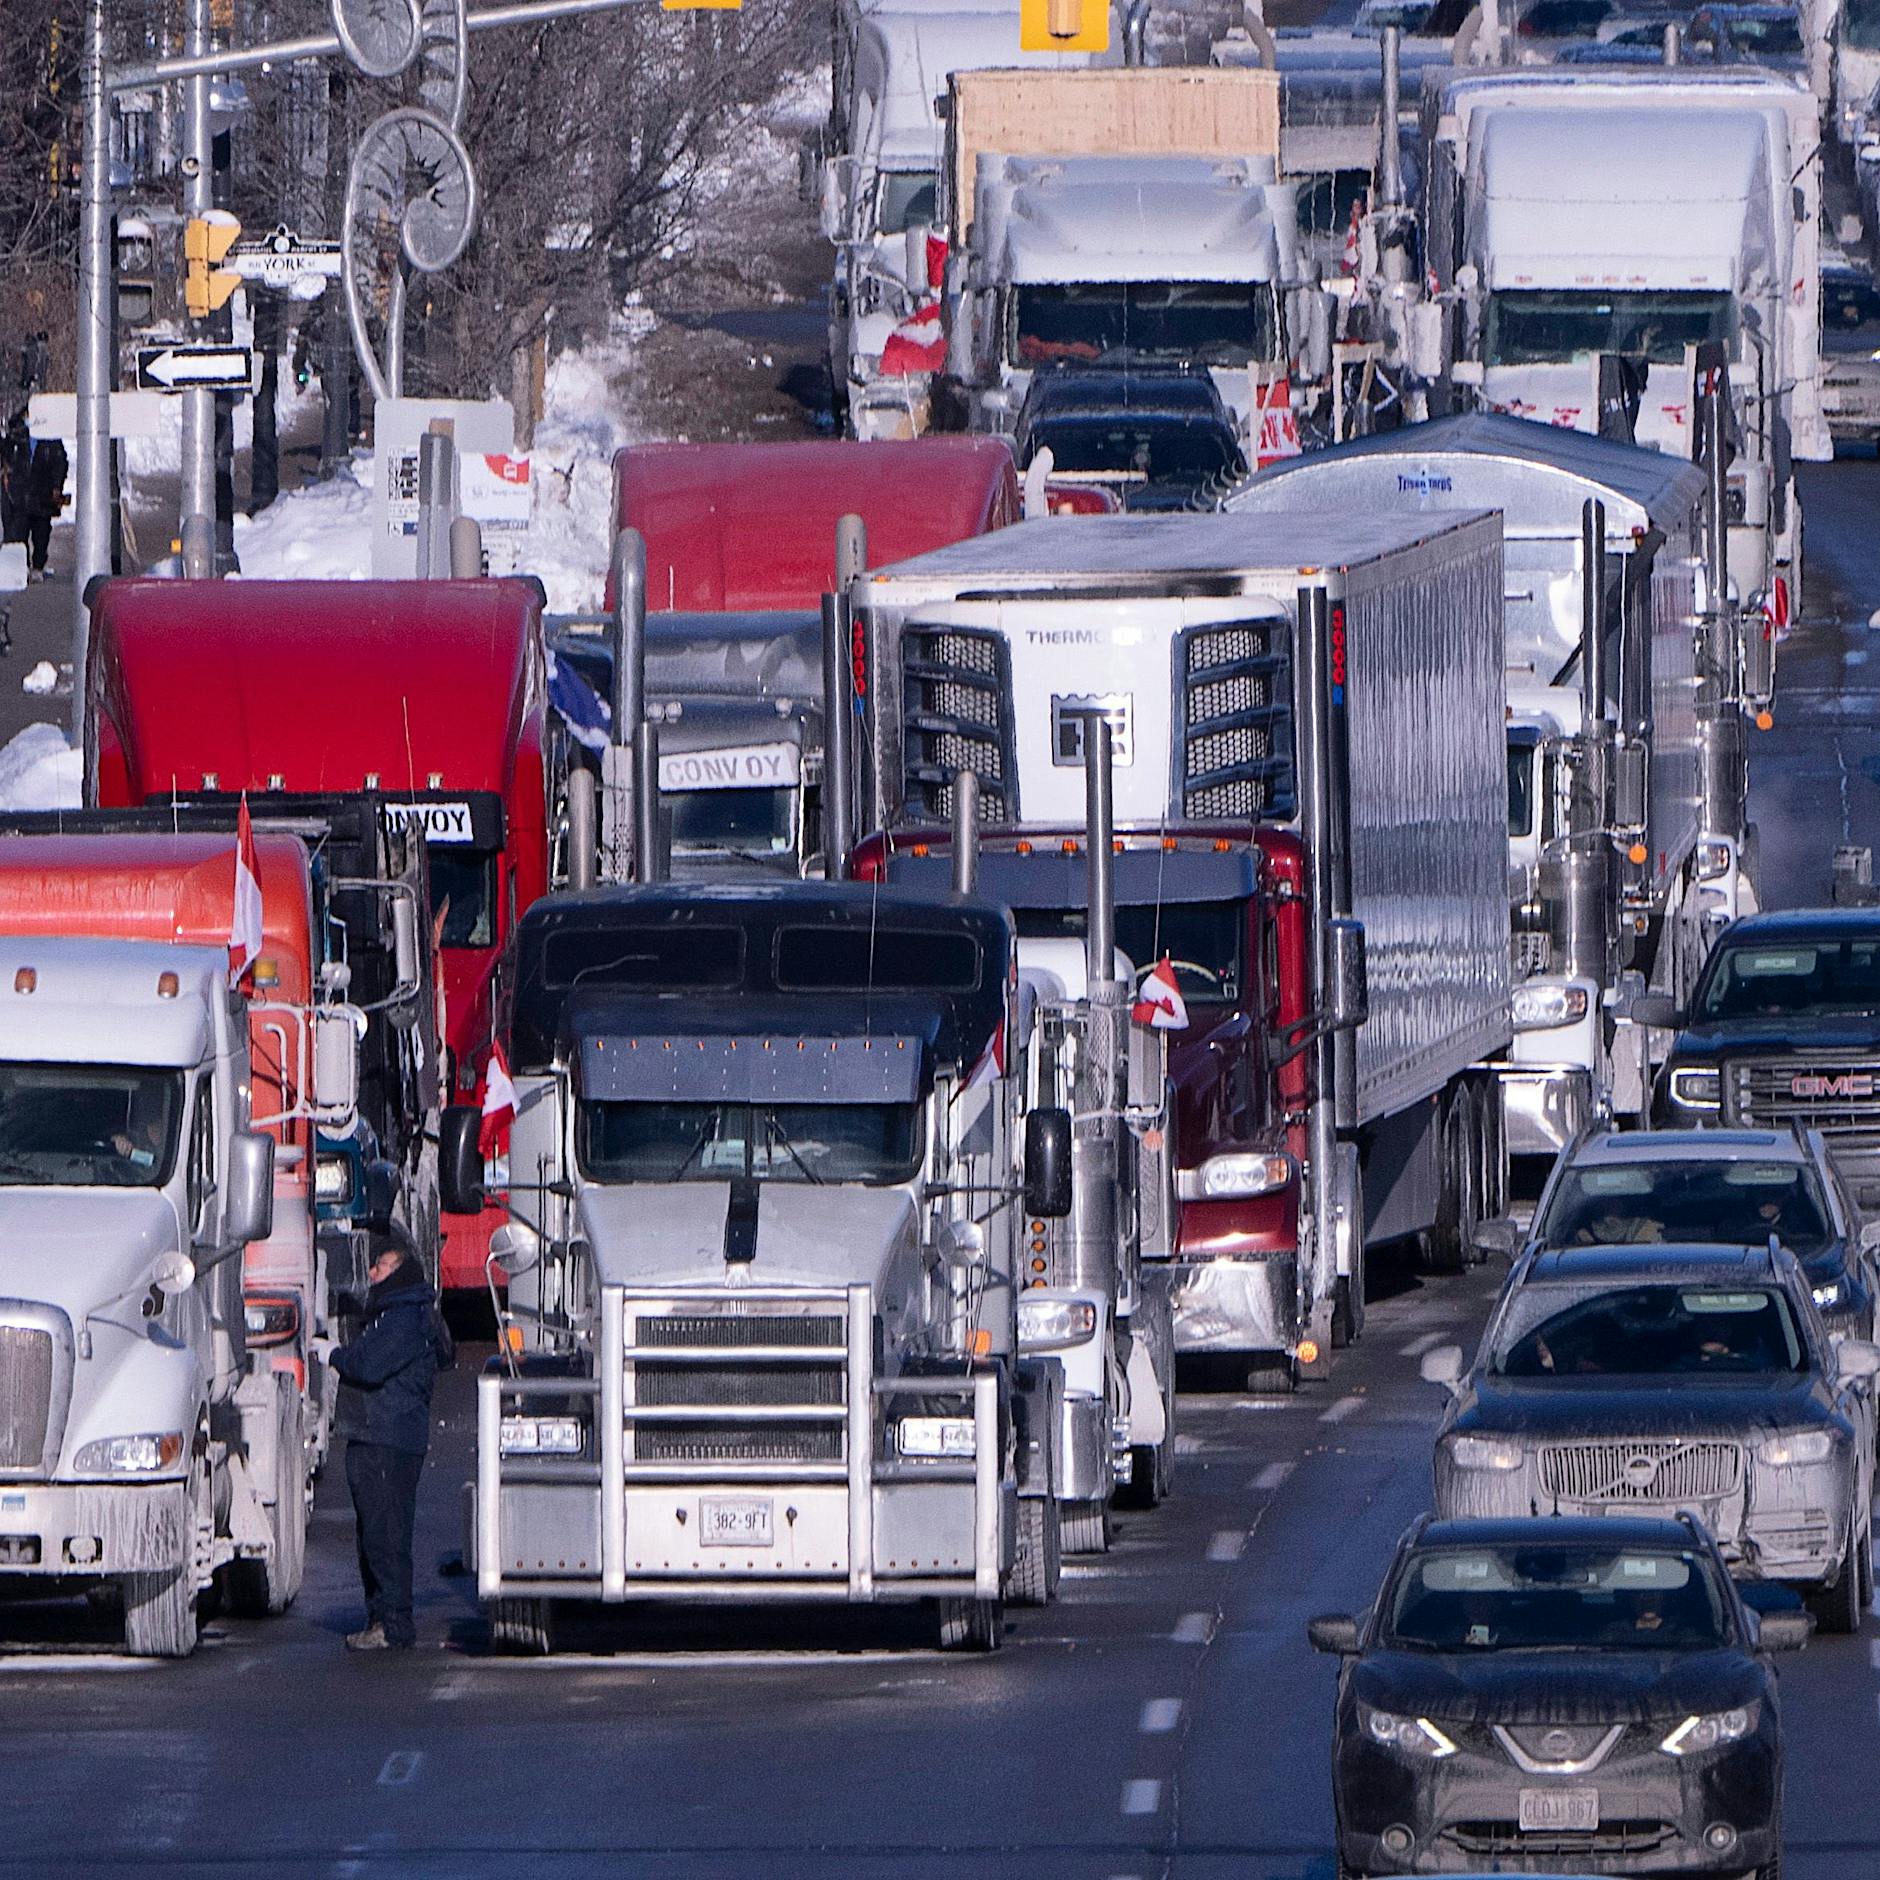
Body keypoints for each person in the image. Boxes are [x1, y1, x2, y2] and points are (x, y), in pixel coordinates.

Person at [332, 1233, 452, 1650]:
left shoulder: (402, 1319)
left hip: (387, 1437)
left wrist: (335, 1355)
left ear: (397, 1273)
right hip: (380, 1436)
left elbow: (368, 1365)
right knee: (376, 1535)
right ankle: (381, 1618)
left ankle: (393, 1624)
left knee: (386, 1536)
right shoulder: (397, 1315)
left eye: (379, 1267)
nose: (371, 1273)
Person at [23, 433, 67, 576]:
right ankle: (23, 566)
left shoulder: (50, 439)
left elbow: (60, 463)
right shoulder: (19, 436)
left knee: (41, 533)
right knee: (19, 533)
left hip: (42, 495)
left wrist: (56, 486)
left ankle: (38, 566)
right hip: (21, 495)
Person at [0, 412, 29, 547]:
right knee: (12, 522)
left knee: (17, 523)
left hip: (19, 488)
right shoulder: (9, 444)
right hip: (13, 487)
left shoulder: (21, 445)